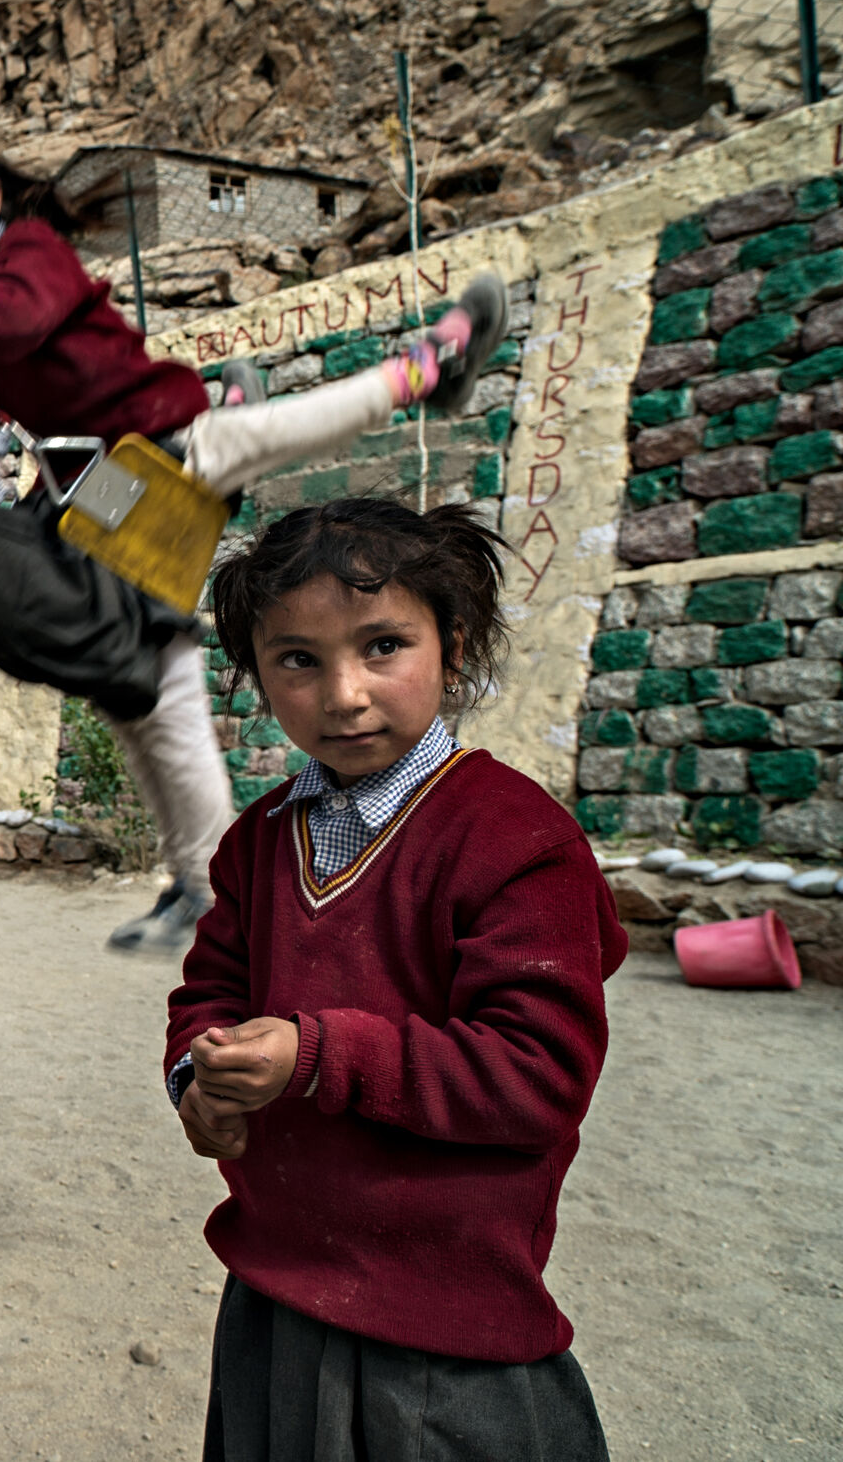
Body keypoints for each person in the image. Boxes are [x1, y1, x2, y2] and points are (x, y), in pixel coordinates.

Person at [0, 124, 504, 949]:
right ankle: (204, 879)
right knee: (149, 689)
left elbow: (9, 324)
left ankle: (423, 371)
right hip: (94, 482)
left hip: (148, 431)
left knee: (263, 442)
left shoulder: (28, 257)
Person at [166, 498, 623, 1460]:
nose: (343, 694)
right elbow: (210, 987)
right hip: (278, 1284)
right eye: (297, 660)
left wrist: (322, 1055)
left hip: (442, 1314)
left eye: (383, 646)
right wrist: (199, 1080)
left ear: (452, 648)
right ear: (257, 676)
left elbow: (537, 1073)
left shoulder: (514, 839)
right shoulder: (260, 841)